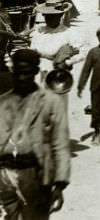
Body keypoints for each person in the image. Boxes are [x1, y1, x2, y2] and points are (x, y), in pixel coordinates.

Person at [0, 49, 70, 219]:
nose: (22, 78)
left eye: (27, 73)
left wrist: (59, 185)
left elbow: (60, 143)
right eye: (18, 73)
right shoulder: (2, 102)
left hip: (36, 176)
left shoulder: (51, 102)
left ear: (36, 72)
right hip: (4, 177)